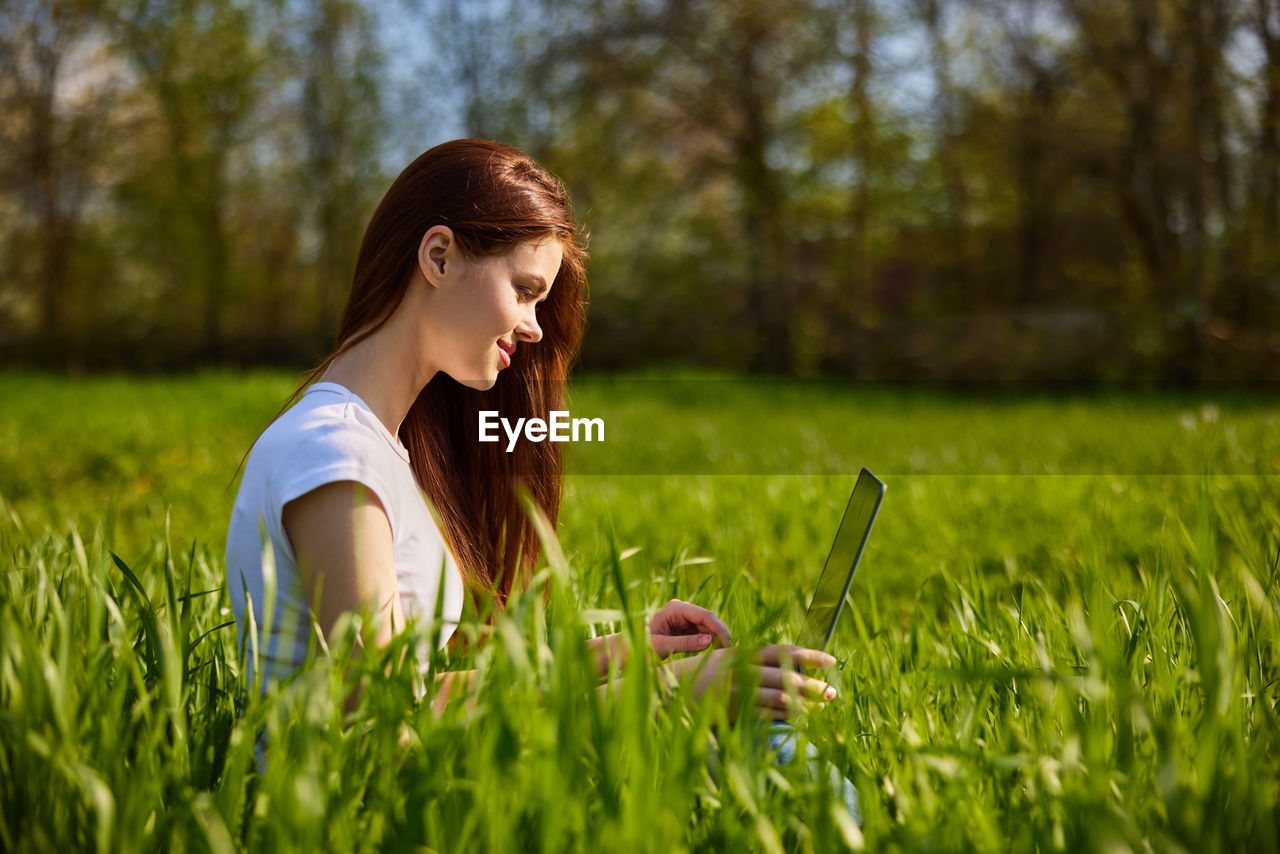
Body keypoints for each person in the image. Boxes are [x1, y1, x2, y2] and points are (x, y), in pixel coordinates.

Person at [224, 139, 854, 816]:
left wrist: (621, 655)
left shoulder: (368, 448)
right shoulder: (335, 454)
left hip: (403, 805)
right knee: (759, 749)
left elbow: (413, 697)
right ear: (439, 257)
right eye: (524, 292)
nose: (530, 328)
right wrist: (667, 696)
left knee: (759, 740)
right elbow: (374, 735)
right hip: (355, 822)